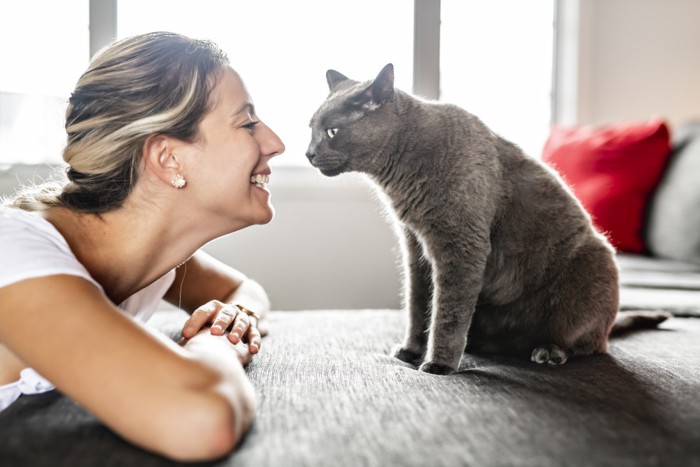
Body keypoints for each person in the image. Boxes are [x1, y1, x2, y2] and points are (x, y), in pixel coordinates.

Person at [0, 31, 284, 461]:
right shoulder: (15, 253)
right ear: (168, 158)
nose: (275, 144)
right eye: (247, 124)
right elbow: (202, 420)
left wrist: (233, 317)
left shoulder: (150, 258)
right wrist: (217, 344)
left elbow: (241, 291)